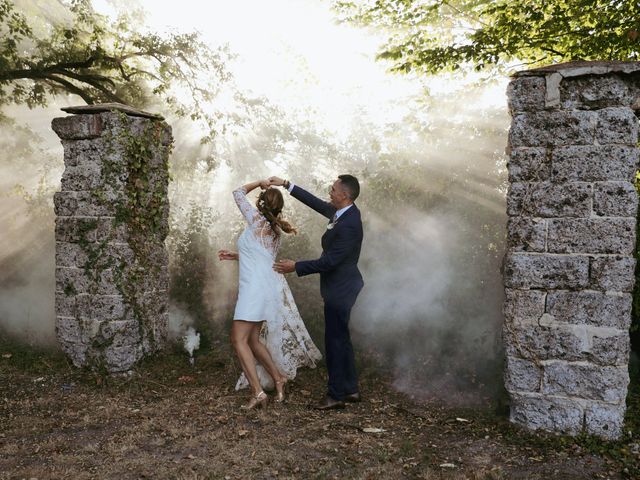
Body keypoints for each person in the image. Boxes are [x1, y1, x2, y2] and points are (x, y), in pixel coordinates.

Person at [218, 180, 322, 409]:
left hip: (254, 289)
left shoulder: (256, 221)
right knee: (253, 340)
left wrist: (260, 183)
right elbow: (260, 258)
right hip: (264, 288)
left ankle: (258, 393)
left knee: (238, 339)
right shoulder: (273, 231)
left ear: (261, 203)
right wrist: (235, 255)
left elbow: (237, 192)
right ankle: (278, 379)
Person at [271, 175, 364, 410]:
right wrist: (286, 184)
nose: (329, 192)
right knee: (341, 338)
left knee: (334, 340)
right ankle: (350, 389)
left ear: (345, 195)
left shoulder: (350, 223)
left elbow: (331, 261)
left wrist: (296, 266)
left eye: (333, 190)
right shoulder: (342, 212)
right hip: (340, 285)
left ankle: (335, 395)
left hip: (341, 288)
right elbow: (316, 203)